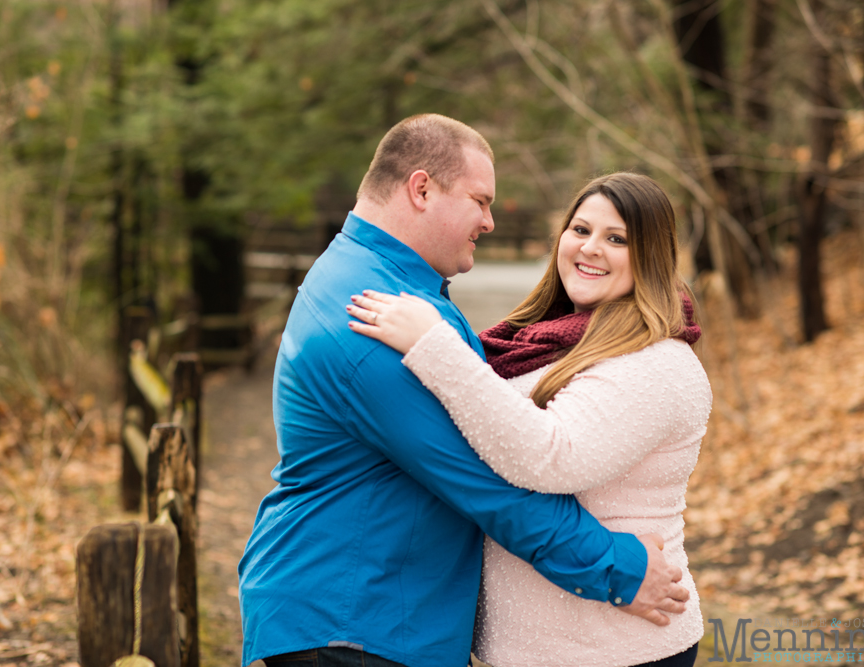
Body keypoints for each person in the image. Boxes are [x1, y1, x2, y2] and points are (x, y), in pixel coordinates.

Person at [239, 116, 690, 667]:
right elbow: (488, 479)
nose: (490, 221)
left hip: (370, 613)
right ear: (422, 189)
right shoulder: (372, 318)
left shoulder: (380, 281)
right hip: (355, 622)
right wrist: (619, 568)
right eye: (480, 200)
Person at [347, 172, 711, 667]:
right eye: (580, 230)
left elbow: (550, 457)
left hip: (614, 646)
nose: (590, 249)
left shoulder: (656, 361)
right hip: (530, 647)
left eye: (617, 239)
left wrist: (434, 346)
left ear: (652, 256)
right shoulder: (546, 339)